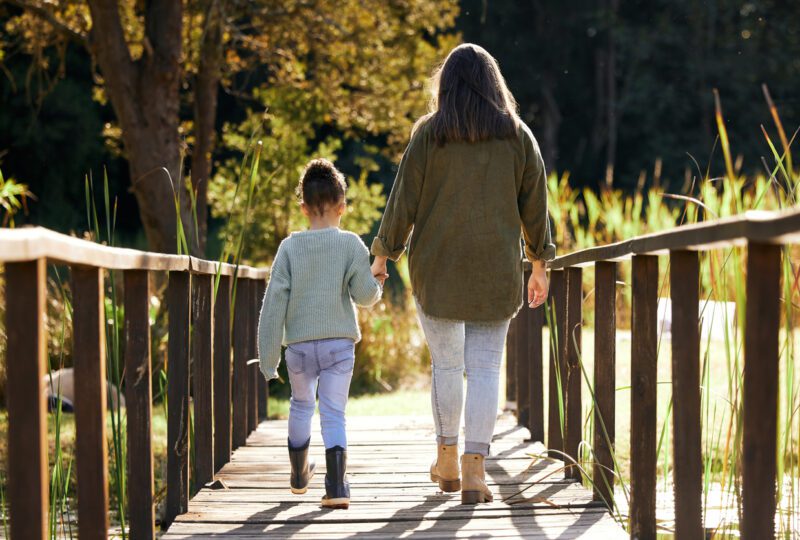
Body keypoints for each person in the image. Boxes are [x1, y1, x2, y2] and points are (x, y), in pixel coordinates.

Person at [370, 43, 555, 504]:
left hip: (438, 269)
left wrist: (383, 254)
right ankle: (476, 469)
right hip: (496, 270)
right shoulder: (518, 136)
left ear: (446, 85)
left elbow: (403, 200)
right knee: (487, 368)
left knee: (448, 366)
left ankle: (447, 458)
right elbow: (536, 207)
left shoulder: (430, 134)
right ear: (495, 83)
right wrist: (538, 264)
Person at [258, 158, 385, 509]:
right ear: (342, 207)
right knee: (333, 412)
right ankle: (337, 486)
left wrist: (269, 360)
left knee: (300, 405)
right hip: (338, 346)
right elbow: (364, 296)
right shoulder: (350, 245)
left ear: (303, 208)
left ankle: (299, 476)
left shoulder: (289, 248)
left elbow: (272, 308)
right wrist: (376, 283)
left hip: (298, 348)